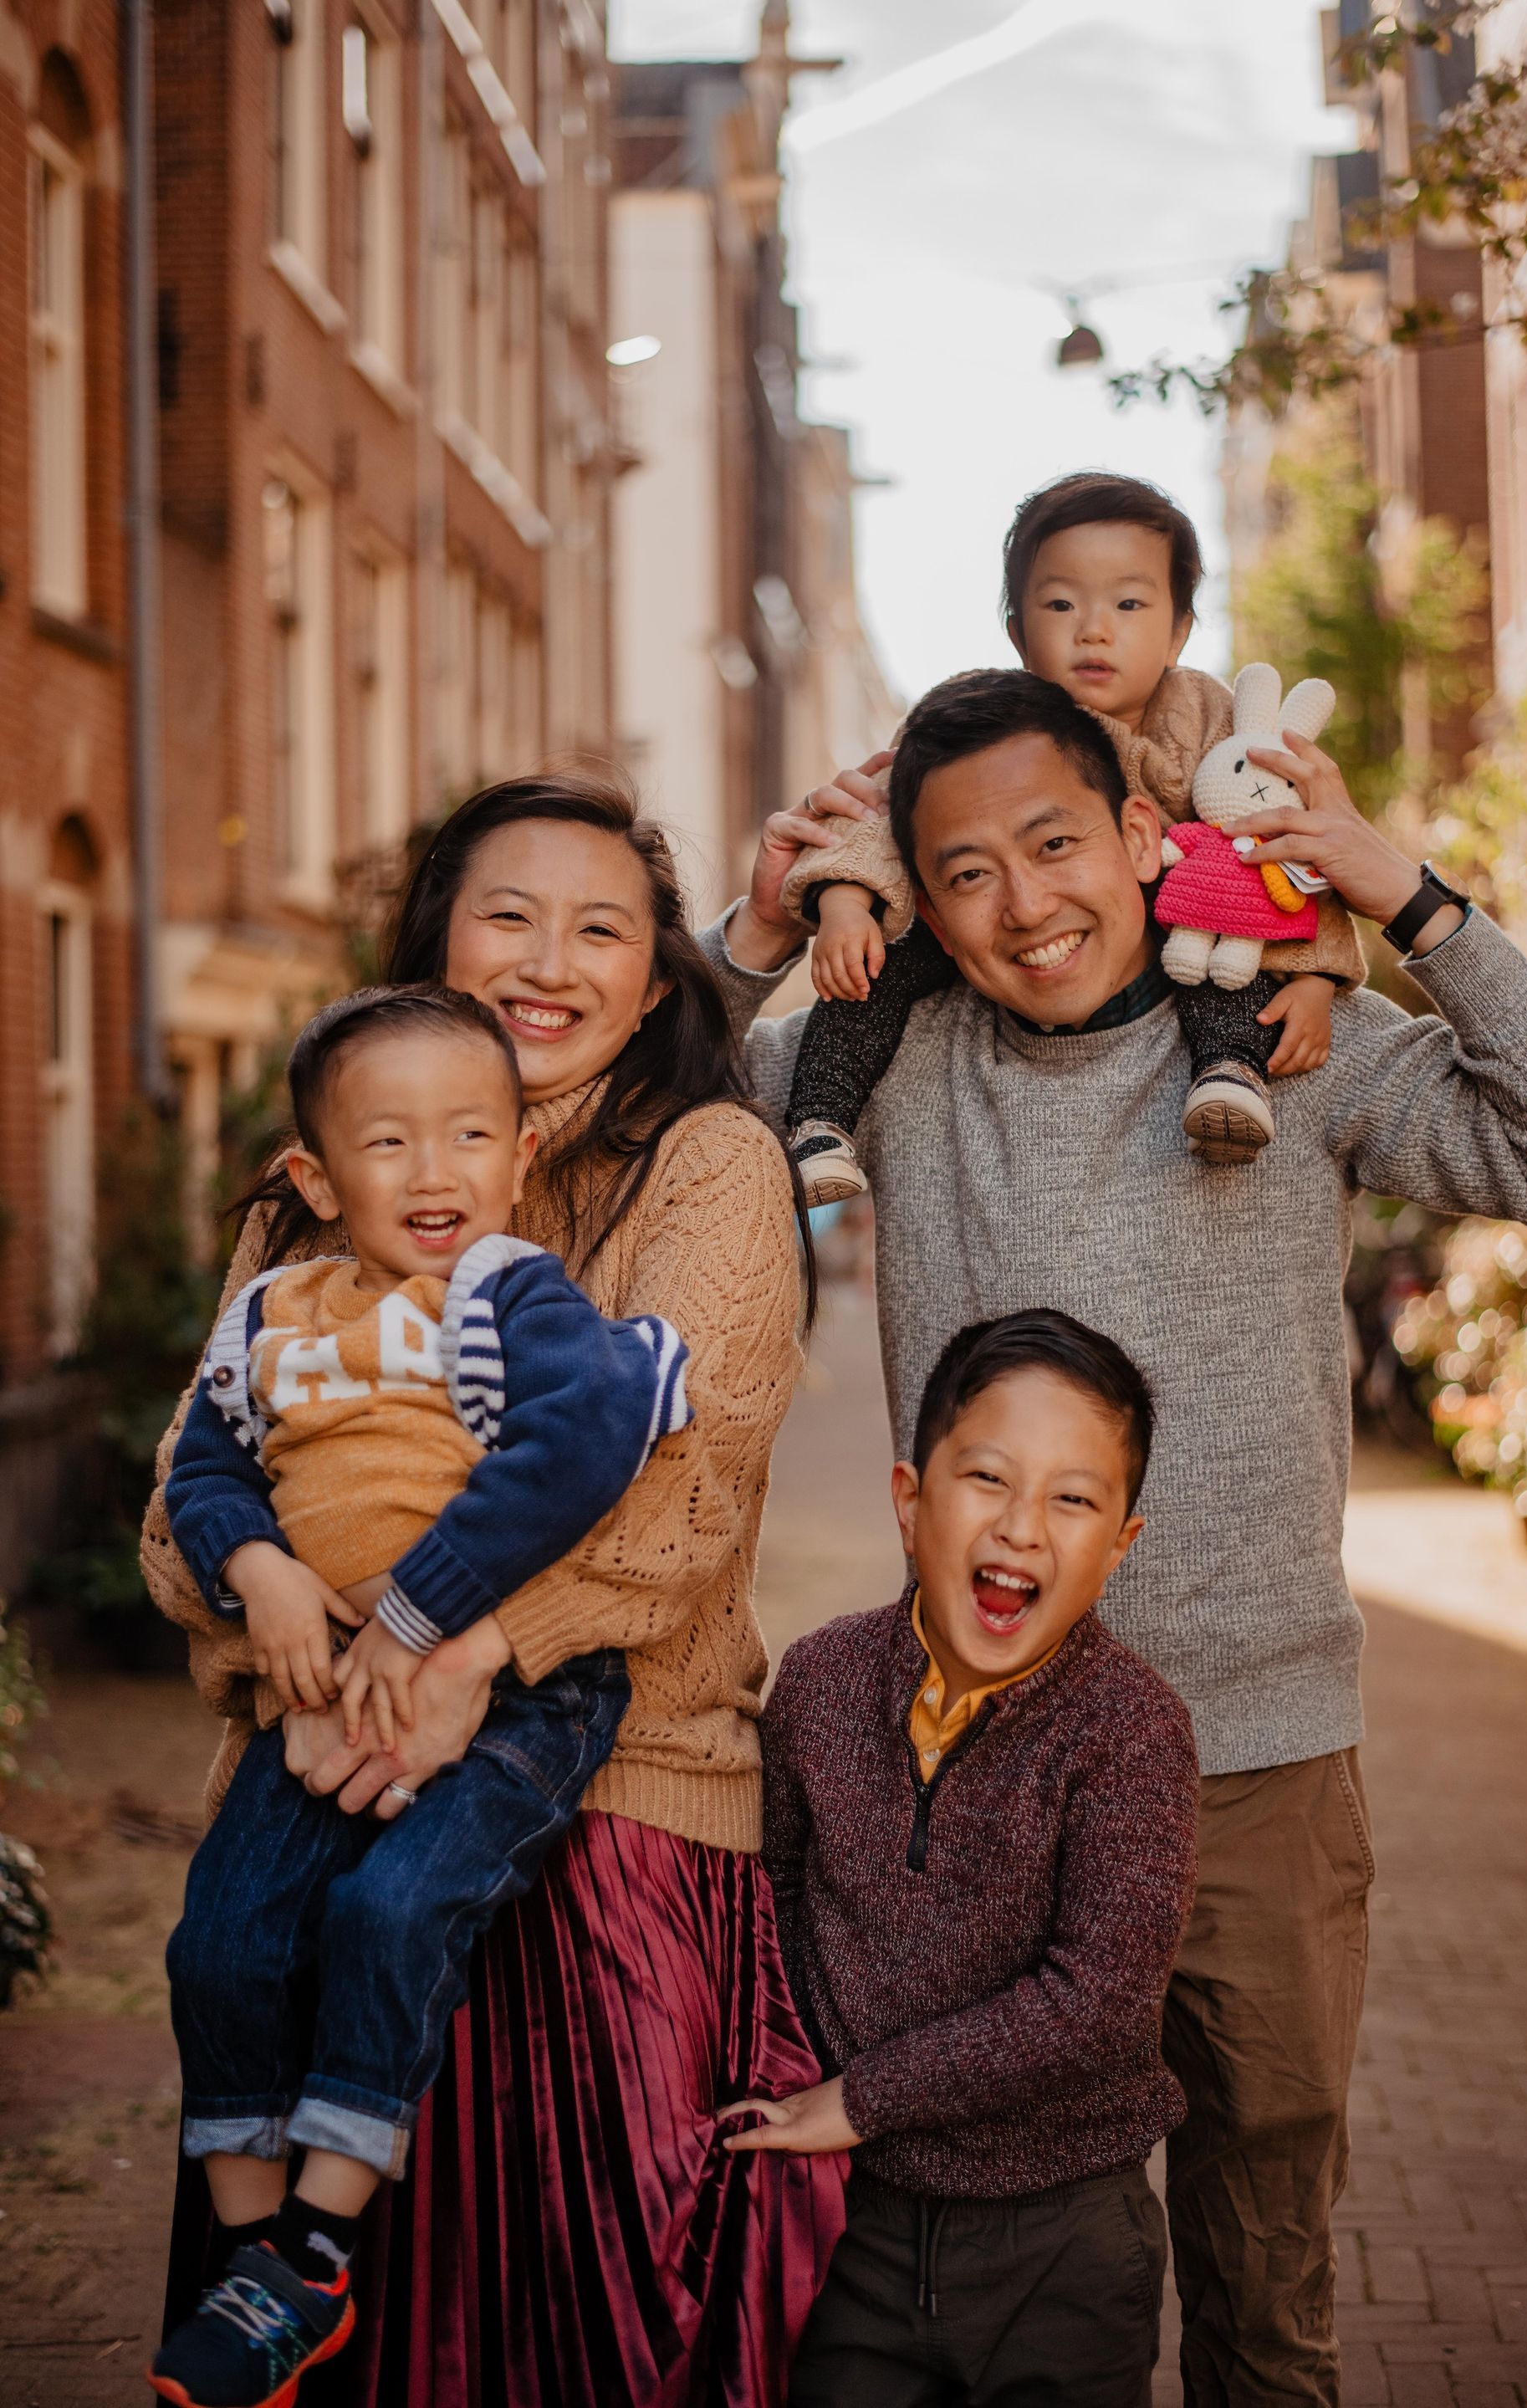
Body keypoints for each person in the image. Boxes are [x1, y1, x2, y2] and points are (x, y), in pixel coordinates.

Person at [706, 669, 1527, 2406]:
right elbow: (635, 1118)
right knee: (1020, 2287)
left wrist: (1402, 897)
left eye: (1057, 842)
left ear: (1140, 832)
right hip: (981, 1773)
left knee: (1267, 2297)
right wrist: (755, 925)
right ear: (914, 891)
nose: (1021, 901)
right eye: (962, 870)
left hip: (1256, 1767)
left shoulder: (1293, 1041)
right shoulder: (893, 1063)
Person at [143, 770, 845, 2406]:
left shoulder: (712, 1167)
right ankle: (279, 2277)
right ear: (433, 944)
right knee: (315, 2311)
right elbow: (190, 1502)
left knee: (568, 2342)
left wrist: (464, 1648)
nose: (551, 957)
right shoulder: (322, 1174)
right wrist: (285, 1618)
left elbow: (680, 1502)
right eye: (506, 915)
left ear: (657, 973)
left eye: (601, 925)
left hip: (613, 1812)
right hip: (322, 1780)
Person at [150, 984, 693, 2408]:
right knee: (219, 1938)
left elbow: (576, 1450)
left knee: (384, 1912)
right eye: (389, 1143)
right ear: (318, 1180)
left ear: (521, 1155)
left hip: (517, 1700)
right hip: (317, 1690)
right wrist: (257, 1566)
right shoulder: (272, 1313)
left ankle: (319, 2248)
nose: (435, 1168)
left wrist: (416, 1609)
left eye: (469, 1133)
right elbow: (201, 1472)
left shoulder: (508, 1288)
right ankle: (253, 2257)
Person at [726, 1310, 1198, 2408]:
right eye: (988, 1477)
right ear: (909, 1498)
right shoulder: (821, 1681)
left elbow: (1101, 2001)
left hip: (1063, 2242)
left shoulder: (1130, 1729)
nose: (1024, 1527)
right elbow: (782, 1895)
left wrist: (867, 2093)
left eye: (1074, 1498)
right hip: (858, 2227)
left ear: (1120, 1542)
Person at [778, 472, 1365, 1203]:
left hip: (1178, 916)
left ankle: (1230, 1073)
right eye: (1060, 604)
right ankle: (821, 1120)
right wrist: (842, 905)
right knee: (870, 975)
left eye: (1129, 603)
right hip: (980, 937)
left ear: (1180, 629)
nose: (1094, 628)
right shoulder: (983, 724)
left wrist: (1313, 977)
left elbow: (1283, 840)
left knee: (1221, 949)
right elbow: (877, 816)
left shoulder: (1206, 715)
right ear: (1018, 631)